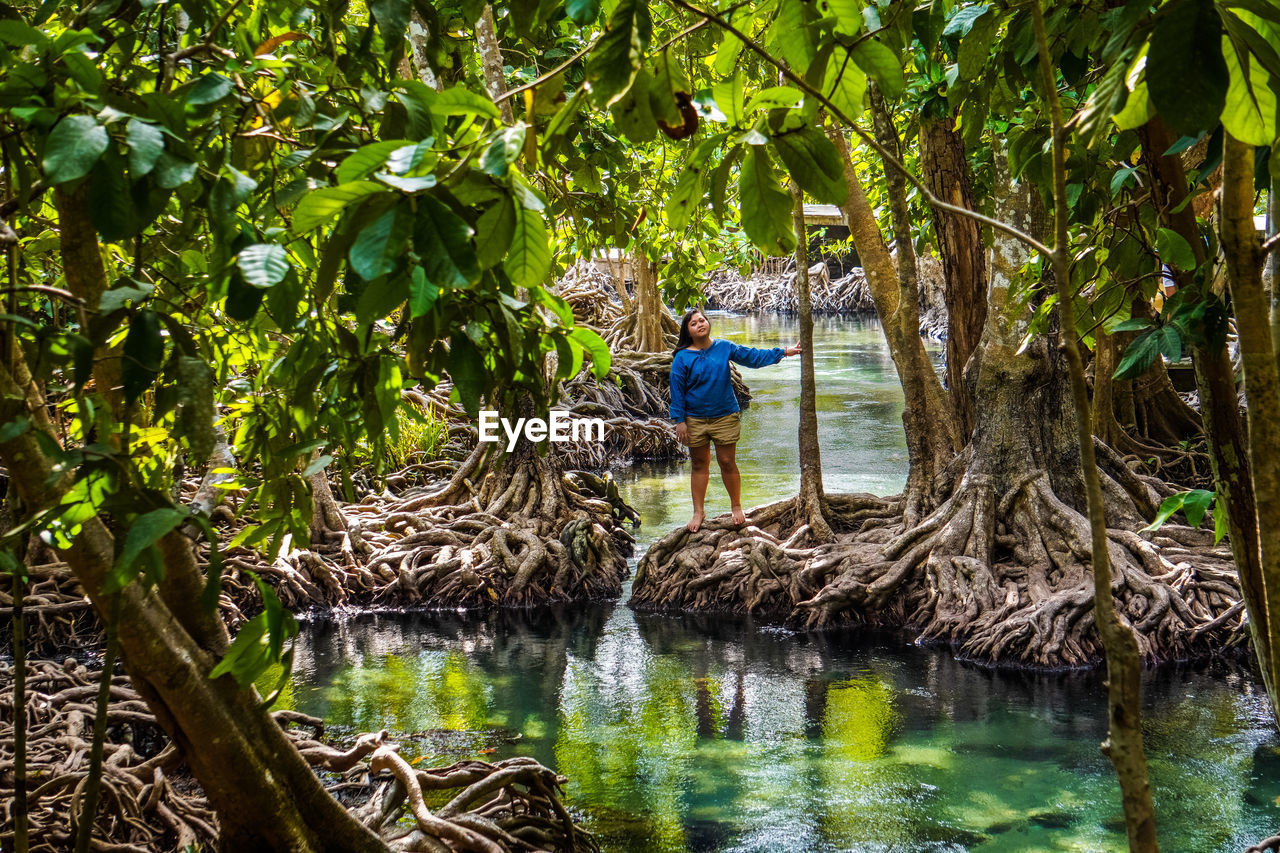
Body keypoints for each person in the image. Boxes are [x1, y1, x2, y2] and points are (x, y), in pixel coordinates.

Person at [669, 309, 802, 532]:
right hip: (694, 419)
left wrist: (785, 352)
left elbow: (753, 357)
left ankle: (736, 506)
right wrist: (679, 420)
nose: (700, 324)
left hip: (725, 415)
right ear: (688, 331)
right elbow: (677, 390)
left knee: (727, 461)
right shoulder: (682, 357)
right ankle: (698, 511)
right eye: (694, 323)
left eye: (702, 320)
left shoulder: (724, 347)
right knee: (700, 464)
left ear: (708, 323)